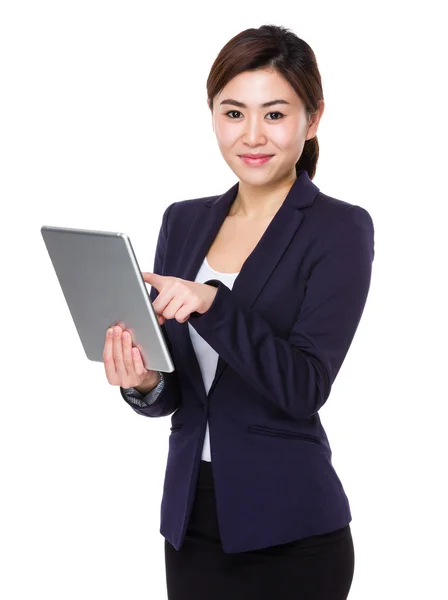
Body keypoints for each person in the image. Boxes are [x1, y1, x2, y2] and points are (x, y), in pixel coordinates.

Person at [103, 24, 374, 600]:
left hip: (291, 532)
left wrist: (213, 303)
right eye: (233, 113)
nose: (252, 135)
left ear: (314, 118)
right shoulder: (183, 220)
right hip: (190, 524)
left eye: (274, 114)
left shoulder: (339, 229)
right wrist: (146, 382)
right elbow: (184, 394)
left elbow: (304, 387)